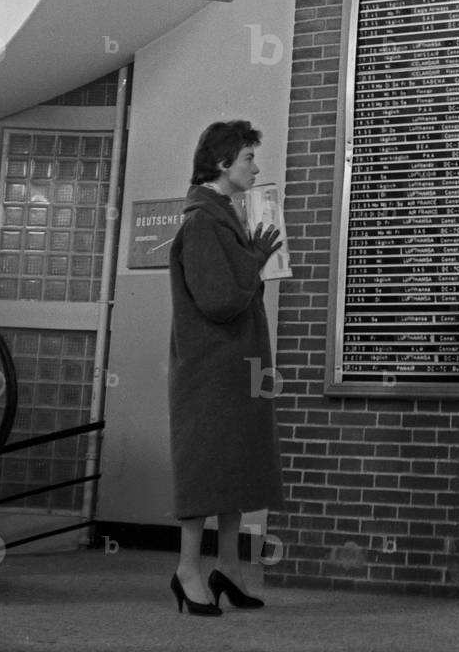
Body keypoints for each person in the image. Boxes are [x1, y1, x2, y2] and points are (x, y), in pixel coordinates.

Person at [167, 120, 284, 615]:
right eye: (247, 159)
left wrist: (252, 262)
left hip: (234, 365)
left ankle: (229, 567)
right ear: (221, 164)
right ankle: (187, 570)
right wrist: (254, 266)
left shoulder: (224, 217)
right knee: (205, 467)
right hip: (210, 369)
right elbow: (217, 301)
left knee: (234, 467)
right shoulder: (202, 222)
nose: (255, 167)